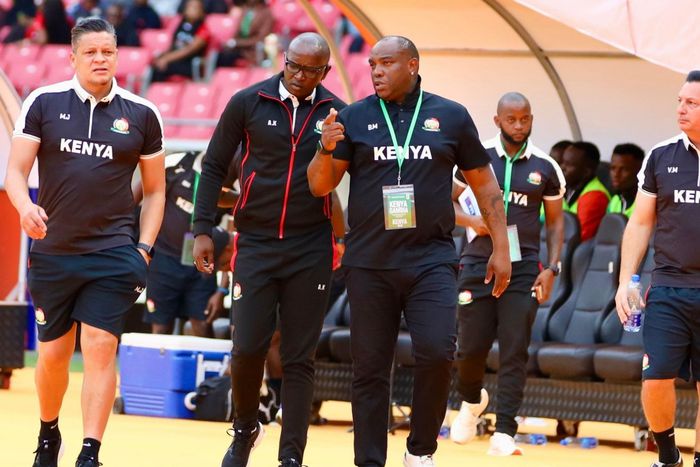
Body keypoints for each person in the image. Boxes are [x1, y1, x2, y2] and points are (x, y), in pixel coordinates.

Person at [307, 35, 511, 467]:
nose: (376, 71)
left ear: (413, 65)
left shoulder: (450, 116)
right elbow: (320, 185)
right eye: (371, 64)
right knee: (370, 368)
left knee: (437, 352)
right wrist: (325, 148)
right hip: (369, 263)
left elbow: (484, 183)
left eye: (386, 63)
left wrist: (501, 246)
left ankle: (419, 451)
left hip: (431, 260)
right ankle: (369, 461)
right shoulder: (353, 117)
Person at [4, 17, 165, 467]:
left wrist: (144, 248)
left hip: (114, 252)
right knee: (54, 354)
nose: (100, 59)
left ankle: (90, 452)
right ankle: (48, 433)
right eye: (91, 52)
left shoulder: (142, 113)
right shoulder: (43, 102)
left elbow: (156, 191)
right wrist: (24, 207)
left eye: (107, 52)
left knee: (99, 345)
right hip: (54, 251)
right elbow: (15, 172)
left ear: (118, 56)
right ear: (73, 57)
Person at [193, 32, 345, 467]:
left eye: (310, 70)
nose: (299, 76)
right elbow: (214, 165)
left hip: (310, 247)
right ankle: (245, 429)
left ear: (324, 72)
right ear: (284, 60)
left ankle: (291, 455)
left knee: (299, 357)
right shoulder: (248, 102)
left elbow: (348, 178)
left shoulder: (337, 113)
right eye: (293, 65)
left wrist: (344, 237)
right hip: (255, 243)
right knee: (246, 349)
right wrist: (202, 228)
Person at [448, 92, 565, 455]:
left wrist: (552, 267)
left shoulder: (546, 167)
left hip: (523, 267)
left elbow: (556, 224)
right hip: (477, 264)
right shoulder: (475, 156)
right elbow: (445, 202)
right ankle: (472, 400)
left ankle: (505, 431)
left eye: (524, 119)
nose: (519, 126)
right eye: (511, 119)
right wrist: (473, 221)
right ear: (497, 121)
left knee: (515, 349)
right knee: (468, 350)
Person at [615, 70, 700, 467]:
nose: (681, 109)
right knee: (655, 377)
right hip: (668, 286)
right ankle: (668, 456)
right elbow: (640, 222)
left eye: (692, 103)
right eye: (680, 101)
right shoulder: (661, 156)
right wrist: (625, 282)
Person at [133, 151, 232, 337]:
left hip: (202, 265)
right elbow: (135, 200)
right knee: (160, 328)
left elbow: (233, 242)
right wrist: (140, 247)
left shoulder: (228, 177)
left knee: (202, 326)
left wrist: (222, 289)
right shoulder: (175, 163)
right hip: (163, 259)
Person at [560, 141, 610, 241]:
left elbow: (579, 237)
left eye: (568, 165)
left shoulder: (595, 196)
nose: (562, 168)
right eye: (563, 162)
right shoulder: (567, 188)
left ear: (586, 172)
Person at [151, 0, 209, 82]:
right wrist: (163, 55)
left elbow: (189, 50)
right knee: (154, 64)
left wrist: (167, 58)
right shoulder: (180, 24)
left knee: (162, 67)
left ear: (201, 12)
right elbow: (174, 44)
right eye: (189, 6)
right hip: (174, 59)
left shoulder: (203, 29)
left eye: (195, 8)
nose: (191, 10)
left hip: (189, 63)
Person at [215, 0, 274, 68]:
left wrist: (237, 43)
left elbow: (260, 39)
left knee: (227, 57)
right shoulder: (246, 10)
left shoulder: (266, 13)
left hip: (252, 50)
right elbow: (238, 31)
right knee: (219, 55)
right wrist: (231, 42)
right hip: (239, 48)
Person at [607, 143, 644, 217]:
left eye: (624, 169)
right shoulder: (615, 201)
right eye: (613, 168)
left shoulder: (648, 205)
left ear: (640, 171)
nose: (616, 174)